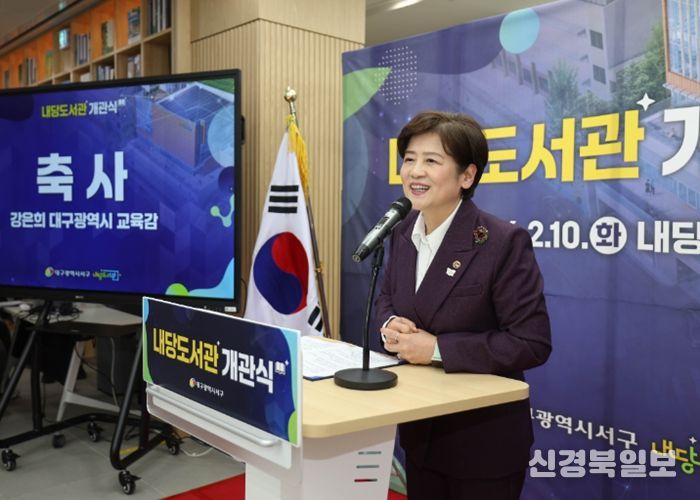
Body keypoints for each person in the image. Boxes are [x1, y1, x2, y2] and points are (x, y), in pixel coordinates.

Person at [376, 111, 552, 499]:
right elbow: (387, 297)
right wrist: (390, 323)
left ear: (467, 176)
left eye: (431, 161)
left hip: (482, 445)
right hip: (421, 434)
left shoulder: (501, 241)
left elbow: (531, 342)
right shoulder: (402, 231)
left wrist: (437, 348)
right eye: (409, 159)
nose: (415, 172)